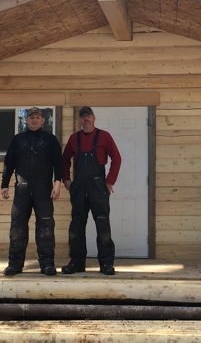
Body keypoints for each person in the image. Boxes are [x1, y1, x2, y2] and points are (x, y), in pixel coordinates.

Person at [1, 107, 63, 276]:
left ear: (43, 120)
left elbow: (59, 163)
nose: (34, 120)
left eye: (37, 117)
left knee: (46, 228)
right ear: (26, 120)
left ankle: (47, 264)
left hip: (44, 190)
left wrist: (57, 184)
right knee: (17, 228)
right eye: (31, 117)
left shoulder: (50, 140)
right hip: (22, 190)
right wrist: (4, 185)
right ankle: (14, 264)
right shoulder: (18, 140)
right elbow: (8, 163)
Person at [61, 106, 121, 276]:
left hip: (98, 186)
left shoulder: (104, 136)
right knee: (77, 225)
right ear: (79, 120)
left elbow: (116, 158)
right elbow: (65, 159)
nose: (85, 119)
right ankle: (77, 262)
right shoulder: (74, 139)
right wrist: (66, 179)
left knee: (102, 225)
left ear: (94, 118)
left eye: (88, 116)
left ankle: (106, 263)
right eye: (82, 117)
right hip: (79, 187)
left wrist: (109, 182)